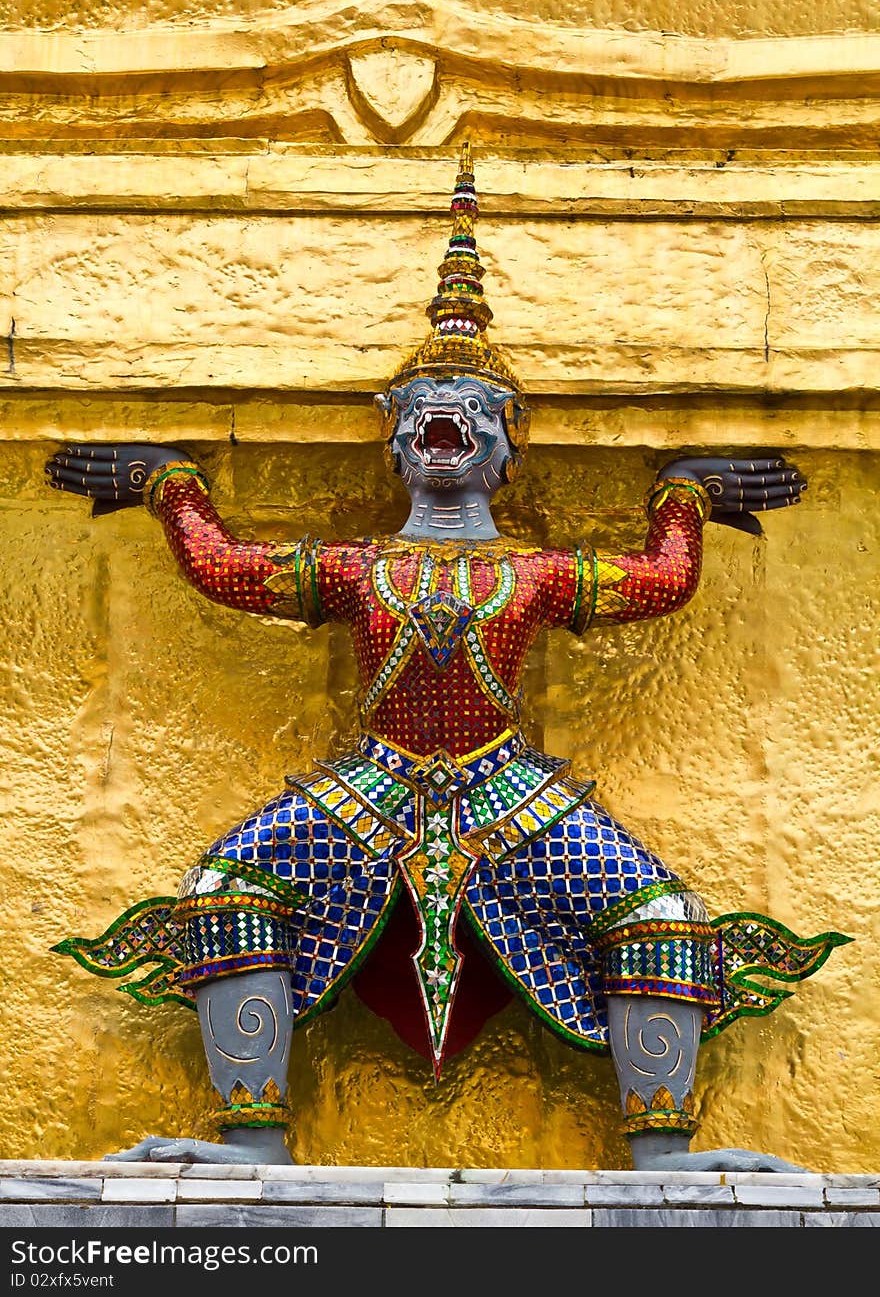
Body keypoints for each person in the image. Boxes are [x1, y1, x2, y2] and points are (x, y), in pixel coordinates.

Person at [47, 145, 847, 1170]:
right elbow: (226, 568)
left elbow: (661, 580)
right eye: (425, 406)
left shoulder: (536, 575)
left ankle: (664, 1151)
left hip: (507, 789)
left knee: (657, 914)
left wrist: (681, 497)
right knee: (225, 891)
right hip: (371, 785)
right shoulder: (353, 568)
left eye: (473, 411)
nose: (448, 419)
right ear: (393, 438)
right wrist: (171, 488)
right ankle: (252, 1135)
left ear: (505, 444)